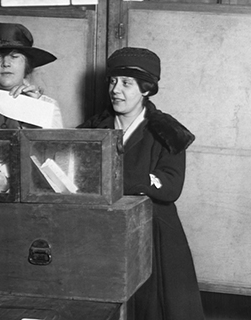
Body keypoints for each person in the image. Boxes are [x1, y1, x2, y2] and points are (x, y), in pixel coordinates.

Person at [78, 47, 204, 320]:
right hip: (103, 229)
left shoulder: (167, 131)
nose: (115, 90)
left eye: (126, 83)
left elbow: (170, 186)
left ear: (146, 89)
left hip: (153, 231)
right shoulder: (95, 127)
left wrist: (115, 179)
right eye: (112, 81)